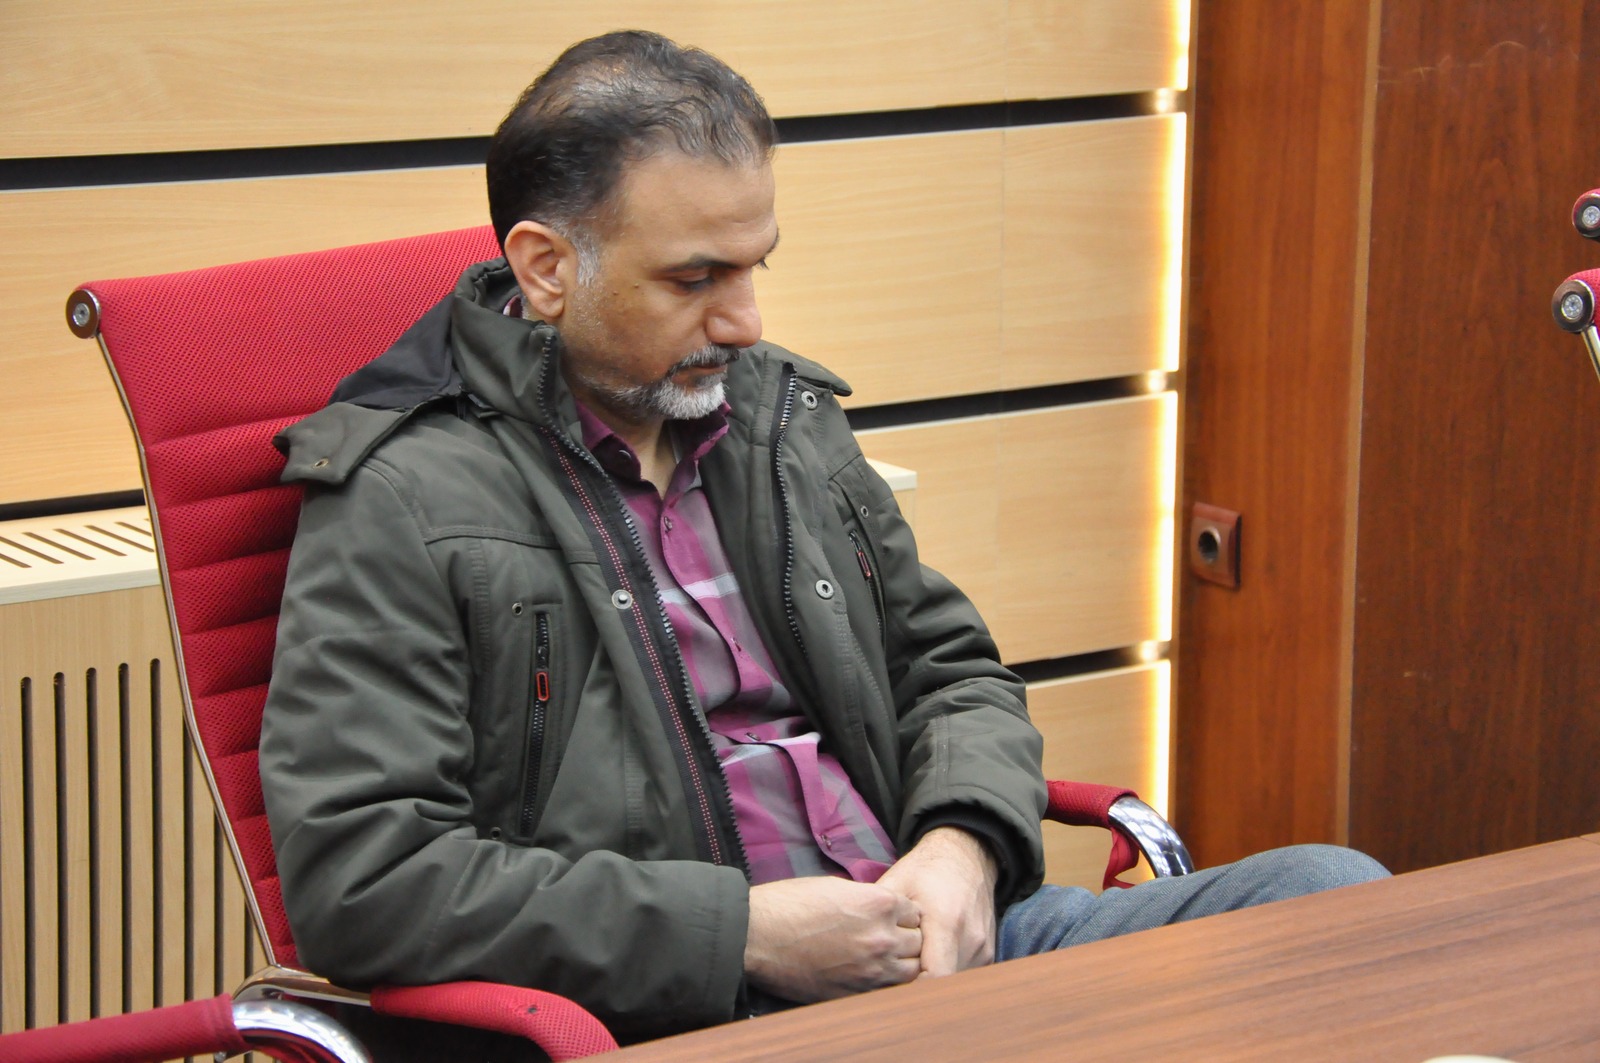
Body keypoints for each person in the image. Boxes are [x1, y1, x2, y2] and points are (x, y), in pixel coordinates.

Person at [260, 28, 1386, 1053]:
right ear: (549, 268)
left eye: (754, 264)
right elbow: (369, 881)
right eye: (695, 278)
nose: (745, 321)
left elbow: (952, 673)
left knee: (1340, 901)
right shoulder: (398, 495)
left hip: (939, 948)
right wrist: (742, 932)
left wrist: (962, 848)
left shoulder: (775, 416)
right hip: (696, 1011)